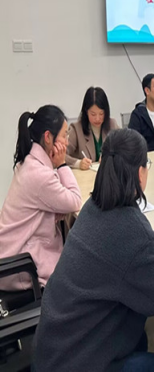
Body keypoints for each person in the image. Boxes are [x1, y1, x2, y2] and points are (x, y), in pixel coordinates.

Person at [33, 128, 154, 372]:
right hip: (73, 363)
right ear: (140, 173)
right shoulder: (128, 228)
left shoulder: (93, 206)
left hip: (53, 350)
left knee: (137, 333)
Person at [0, 105, 81, 291]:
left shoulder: (30, 162)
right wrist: (62, 164)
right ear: (48, 137)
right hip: (20, 265)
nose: (67, 141)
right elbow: (75, 200)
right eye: (64, 135)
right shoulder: (39, 175)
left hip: (11, 252)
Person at [66, 86, 120, 169]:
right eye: (93, 114)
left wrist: (112, 156)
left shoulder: (112, 125)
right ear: (86, 112)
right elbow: (60, 156)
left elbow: (126, 148)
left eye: (101, 114)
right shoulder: (76, 129)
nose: (97, 119)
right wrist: (78, 163)